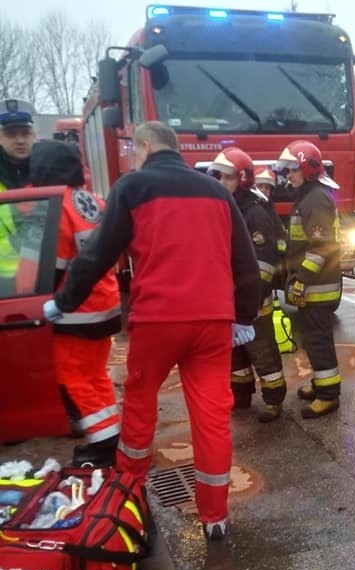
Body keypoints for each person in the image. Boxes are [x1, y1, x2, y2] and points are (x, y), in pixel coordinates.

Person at [44, 121, 260, 543]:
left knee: (141, 406)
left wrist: (64, 301)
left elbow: (97, 255)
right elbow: (245, 261)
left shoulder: (133, 187)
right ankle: (215, 516)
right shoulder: (216, 191)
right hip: (212, 321)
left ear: (145, 146)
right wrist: (244, 317)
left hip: (158, 321)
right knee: (213, 416)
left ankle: (130, 496)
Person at [30, 141, 122, 465]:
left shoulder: (55, 206)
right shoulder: (92, 201)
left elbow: (51, 266)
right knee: (96, 374)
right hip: (105, 304)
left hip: (76, 312)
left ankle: (103, 445)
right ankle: (110, 433)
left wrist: (42, 300)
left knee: (75, 377)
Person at [209, 147, 287, 422]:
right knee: (235, 352)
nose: (221, 183)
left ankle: (273, 401)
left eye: (227, 177)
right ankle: (240, 395)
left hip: (254, 301)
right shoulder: (227, 207)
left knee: (262, 352)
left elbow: (264, 263)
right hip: (229, 298)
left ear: (242, 179)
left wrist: (252, 298)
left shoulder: (255, 213)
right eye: (218, 176)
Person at [274, 139, 342, 418]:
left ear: (307, 168)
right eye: (286, 170)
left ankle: (328, 395)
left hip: (318, 288)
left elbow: (323, 247)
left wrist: (301, 279)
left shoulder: (314, 199)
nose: (288, 175)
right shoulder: (309, 196)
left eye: (292, 169)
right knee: (313, 339)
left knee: (318, 340)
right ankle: (321, 383)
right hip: (313, 286)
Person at [0, 99, 36, 290]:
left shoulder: (48, 171)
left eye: (25, 133)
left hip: (46, 275)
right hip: (3, 281)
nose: (20, 140)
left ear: (34, 136)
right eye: (11, 134)